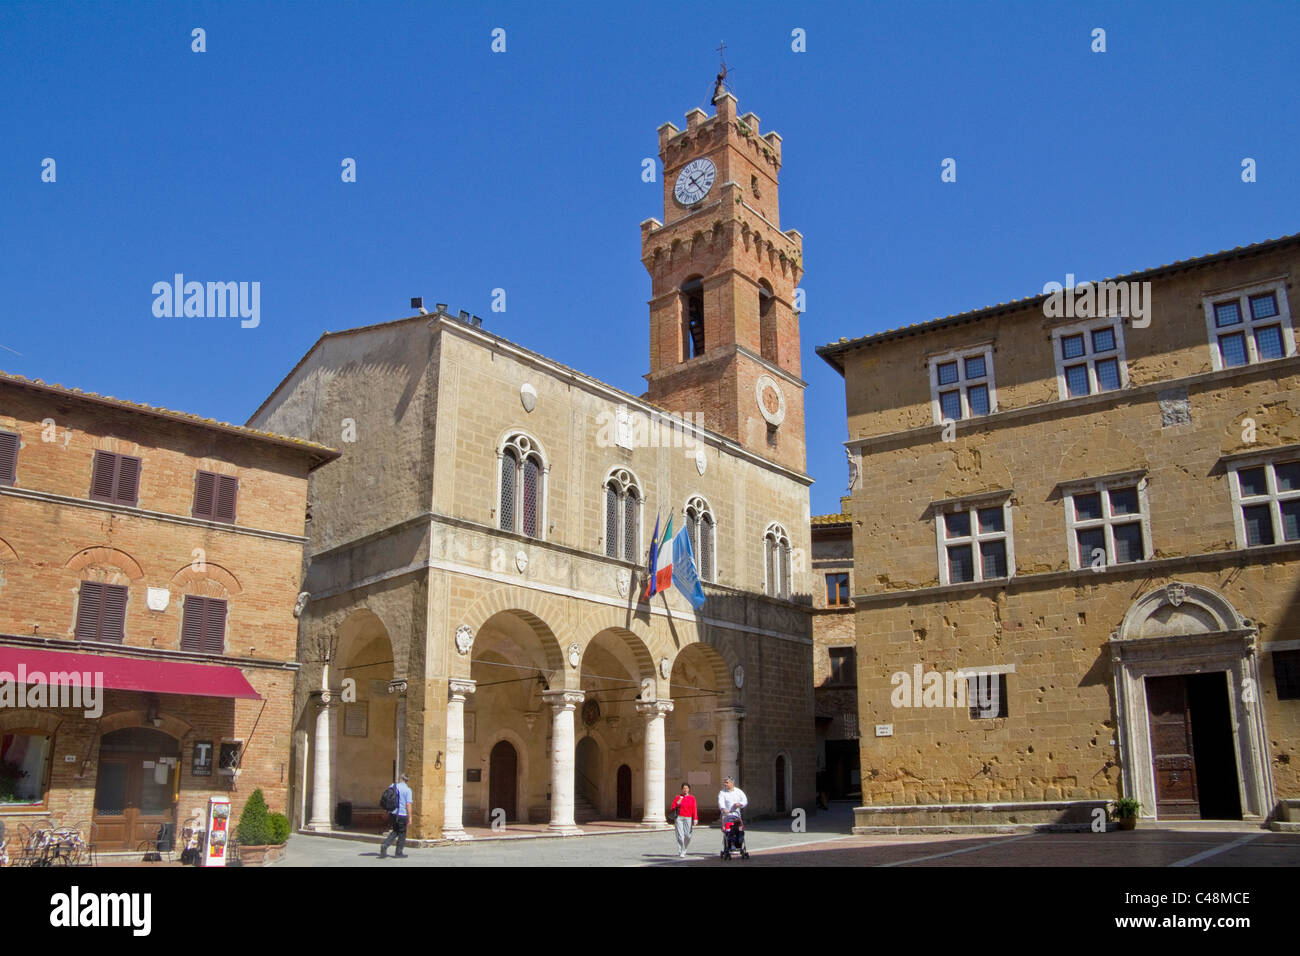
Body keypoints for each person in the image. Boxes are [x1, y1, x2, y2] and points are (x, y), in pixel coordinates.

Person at [379, 773, 414, 859]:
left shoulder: (393, 786)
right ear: (407, 780)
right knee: (402, 833)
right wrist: (410, 817)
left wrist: (386, 811)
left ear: (400, 778)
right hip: (402, 814)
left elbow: (388, 798)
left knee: (395, 830)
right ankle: (398, 852)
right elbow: (408, 804)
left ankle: (385, 845)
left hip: (393, 813)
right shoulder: (407, 790)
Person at [670, 783, 699, 858]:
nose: (685, 790)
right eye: (684, 788)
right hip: (679, 817)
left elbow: (694, 808)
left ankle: (684, 848)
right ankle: (681, 851)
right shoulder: (678, 797)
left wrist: (695, 818)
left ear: (689, 789)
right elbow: (672, 807)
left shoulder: (692, 798)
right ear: (682, 789)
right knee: (680, 835)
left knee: (688, 835)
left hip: (688, 817)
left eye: (686, 788)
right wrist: (678, 802)